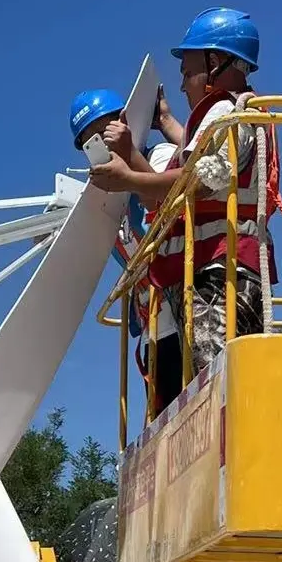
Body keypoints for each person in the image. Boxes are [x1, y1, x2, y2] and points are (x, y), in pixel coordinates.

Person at [88, 8, 277, 382]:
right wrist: (160, 126)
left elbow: (199, 180)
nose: (182, 83)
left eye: (188, 71)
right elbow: (188, 171)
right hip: (207, 271)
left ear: (217, 62)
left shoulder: (229, 110)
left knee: (219, 389)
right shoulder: (228, 114)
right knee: (214, 389)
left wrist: (127, 177)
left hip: (218, 272)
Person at [70, 88, 183, 410]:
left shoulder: (159, 155)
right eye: (90, 141)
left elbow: (163, 205)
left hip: (183, 310)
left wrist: (129, 155)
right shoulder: (105, 197)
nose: (101, 145)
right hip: (155, 330)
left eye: (104, 131)